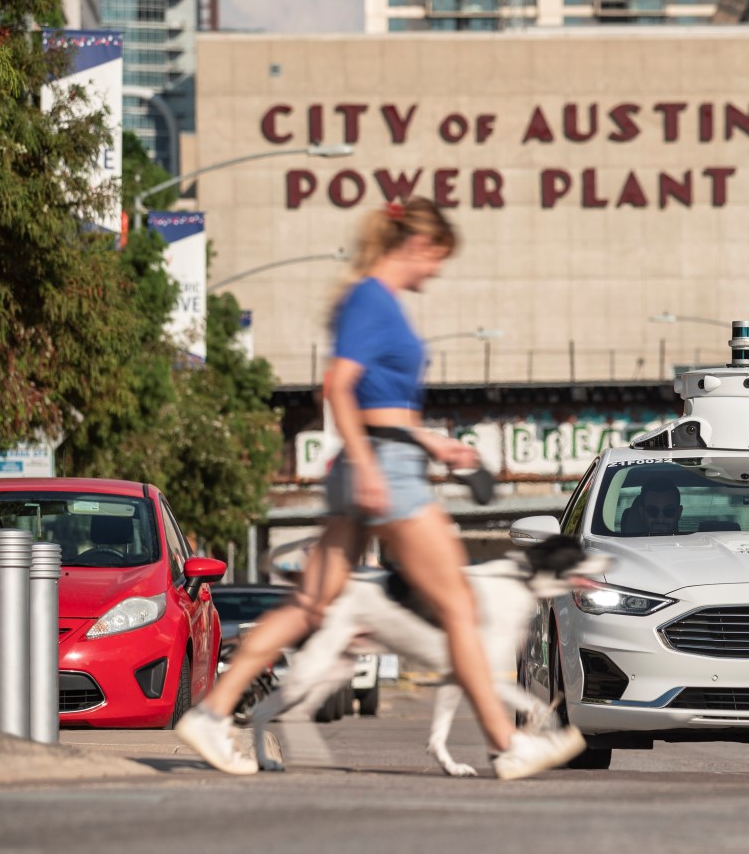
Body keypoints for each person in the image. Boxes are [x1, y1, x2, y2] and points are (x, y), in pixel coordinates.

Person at [176, 197, 584, 779]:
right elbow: (336, 387)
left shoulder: (375, 300)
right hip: (383, 471)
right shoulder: (371, 298)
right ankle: (508, 744)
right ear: (418, 245)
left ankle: (212, 715)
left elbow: (378, 403)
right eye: (438, 258)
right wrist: (370, 465)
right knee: (459, 607)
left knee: (310, 605)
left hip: (382, 458)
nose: (436, 272)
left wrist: (436, 445)